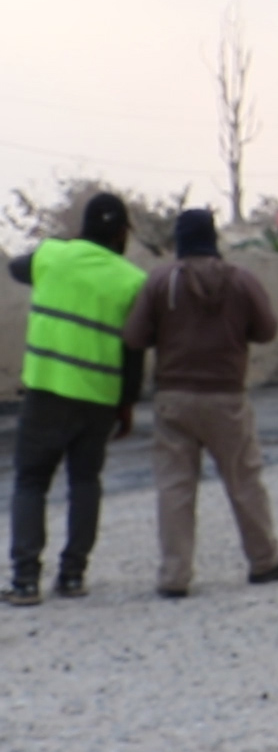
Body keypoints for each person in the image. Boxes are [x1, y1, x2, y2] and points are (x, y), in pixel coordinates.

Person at [121, 209, 278, 599]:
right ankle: (265, 560)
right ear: (213, 238)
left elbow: (134, 337)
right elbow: (267, 330)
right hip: (226, 397)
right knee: (244, 480)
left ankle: (175, 575)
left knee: (175, 487)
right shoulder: (241, 280)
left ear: (179, 241)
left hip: (174, 397)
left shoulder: (161, 281)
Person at [5, 193, 149, 606]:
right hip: (98, 399)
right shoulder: (132, 280)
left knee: (31, 481)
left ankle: (25, 581)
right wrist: (127, 404)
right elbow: (134, 351)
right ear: (122, 233)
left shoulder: (52, 256)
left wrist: (65, 253)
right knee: (84, 483)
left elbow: (16, 268)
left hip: (46, 392)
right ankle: (72, 576)